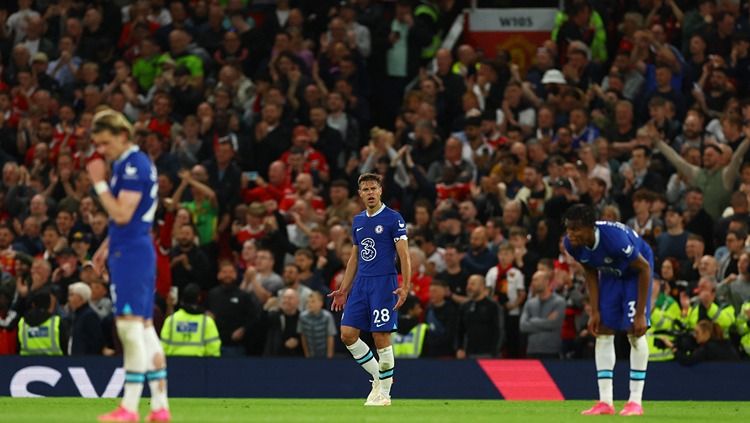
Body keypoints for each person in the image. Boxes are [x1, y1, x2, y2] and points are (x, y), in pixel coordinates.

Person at [86, 109, 170, 423]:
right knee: (145, 331)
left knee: (129, 328)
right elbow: (128, 219)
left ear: (122, 136)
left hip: (133, 253)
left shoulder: (135, 165)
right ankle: (160, 407)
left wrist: (99, 183)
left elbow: (122, 213)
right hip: (128, 248)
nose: (102, 150)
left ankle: (130, 408)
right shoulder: (125, 164)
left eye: (105, 143)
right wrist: (107, 246)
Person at [329, 172, 411, 406]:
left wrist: (405, 286)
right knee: (347, 334)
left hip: (384, 283)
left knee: (381, 336)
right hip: (361, 285)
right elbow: (354, 257)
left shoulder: (393, 218)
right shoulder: (358, 221)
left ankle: (385, 394)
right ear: (360, 194)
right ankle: (378, 377)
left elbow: (404, 255)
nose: (370, 193)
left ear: (381, 191)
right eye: (365, 189)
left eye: (374, 188)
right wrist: (344, 289)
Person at [563, 205, 653, 416]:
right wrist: (595, 311)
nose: (571, 234)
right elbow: (590, 272)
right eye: (568, 229)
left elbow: (644, 268)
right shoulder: (572, 244)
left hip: (635, 272)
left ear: (589, 227)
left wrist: (640, 314)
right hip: (610, 273)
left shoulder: (614, 240)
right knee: (602, 329)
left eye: (575, 229)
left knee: (635, 331)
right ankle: (605, 403)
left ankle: (635, 402)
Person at [161, 283, 221, 357]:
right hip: (200, 365)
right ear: (199, 298)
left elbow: (163, 346)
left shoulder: (171, 320)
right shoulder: (207, 321)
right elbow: (213, 349)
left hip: (174, 364)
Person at [519, 270, 566, 358]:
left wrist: (532, 320)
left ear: (546, 281)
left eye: (536, 280)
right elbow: (523, 326)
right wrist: (545, 321)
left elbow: (554, 324)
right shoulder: (529, 303)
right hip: (532, 351)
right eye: (533, 280)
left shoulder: (559, 302)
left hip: (551, 351)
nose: (533, 283)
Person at [66, 282, 104, 355]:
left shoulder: (89, 315)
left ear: (81, 297)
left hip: (85, 361)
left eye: (71, 295)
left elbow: (96, 342)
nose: (68, 299)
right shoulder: (76, 315)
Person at [298, 291, 337, 358]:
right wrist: (307, 355)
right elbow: (303, 336)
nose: (309, 304)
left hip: (325, 356)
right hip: (310, 355)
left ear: (321, 303)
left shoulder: (327, 316)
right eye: (308, 302)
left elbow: (330, 337)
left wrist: (329, 357)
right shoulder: (302, 317)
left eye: (313, 301)